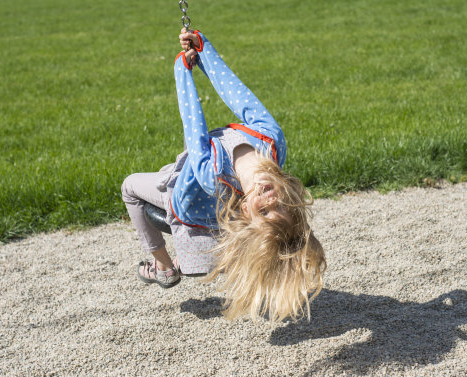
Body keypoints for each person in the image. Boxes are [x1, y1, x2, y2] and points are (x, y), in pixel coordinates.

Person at [121, 29, 326, 322]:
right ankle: (206, 255)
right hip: (212, 198)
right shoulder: (271, 141)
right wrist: (204, 51)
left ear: (245, 208)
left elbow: (193, 121)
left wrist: (183, 69)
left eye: (264, 211)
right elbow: (238, 93)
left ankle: (164, 267)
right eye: (280, 206)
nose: (271, 200)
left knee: (129, 187)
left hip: (182, 200)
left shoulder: (212, 173)